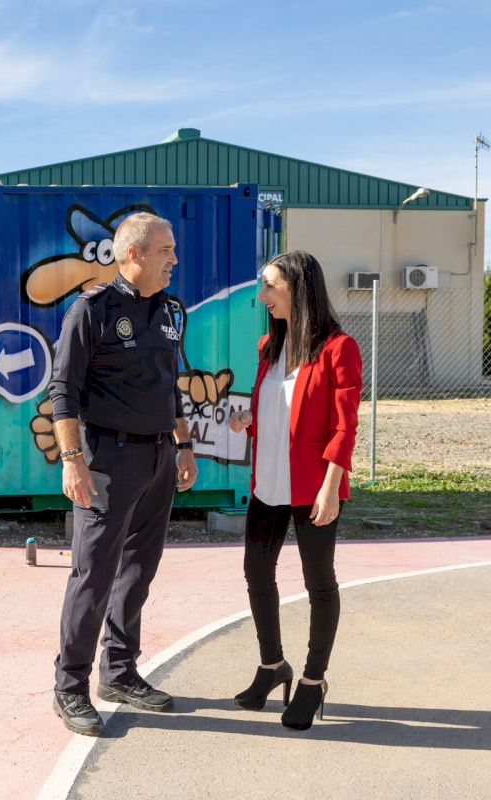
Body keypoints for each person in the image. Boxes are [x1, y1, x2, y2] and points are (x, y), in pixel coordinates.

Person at [48, 211, 199, 736]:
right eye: (165, 250)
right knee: (93, 575)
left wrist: (183, 446)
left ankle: (118, 673)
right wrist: (73, 460)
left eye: (173, 249)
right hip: (108, 462)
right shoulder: (91, 311)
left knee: (138, 571)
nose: (174, 259)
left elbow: (170, 385)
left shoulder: (170, 311)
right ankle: (70, 687)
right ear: (133, 253)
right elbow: (63, 391)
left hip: (158, 459)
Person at [228, 250, 362, 731]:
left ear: (298, 289)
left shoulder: (339, 348)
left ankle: (312, 680)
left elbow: (344, 427)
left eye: (270, 285)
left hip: (313, 488)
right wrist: (248, 421)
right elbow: (278, 412)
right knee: (256, 574)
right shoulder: (269, 345)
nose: (262, 294)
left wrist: (331, 487)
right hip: (267, 485)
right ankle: (272, 666)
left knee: (318, 584)